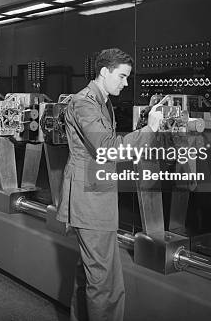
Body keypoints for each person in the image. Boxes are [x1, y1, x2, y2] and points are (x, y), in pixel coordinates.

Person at [57, 48, 165, 321]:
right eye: (122, 76)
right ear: (104, 72)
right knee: (105, 281)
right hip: (90, 201)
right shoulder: (85, 103)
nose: (126, 83)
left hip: (94, 196)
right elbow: (107, 148)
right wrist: (149, 130)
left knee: (90, 273)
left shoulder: (100, 101)